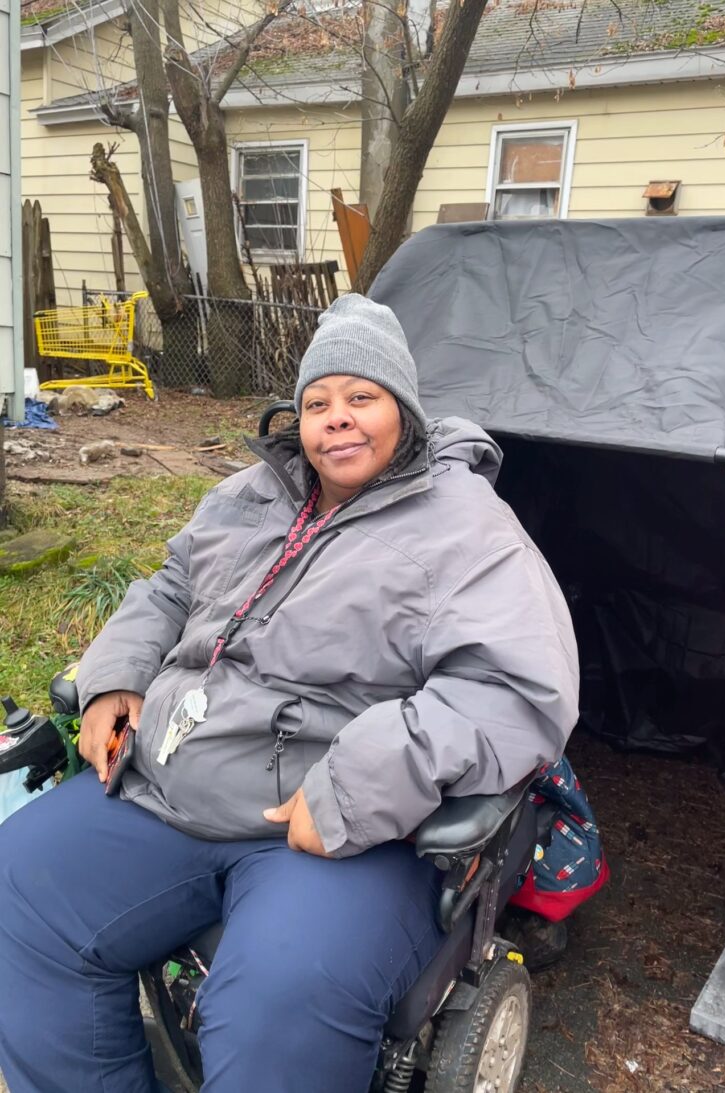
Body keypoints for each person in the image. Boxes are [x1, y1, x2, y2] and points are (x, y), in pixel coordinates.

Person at [0, 295, 579, 1093]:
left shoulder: (467, 528)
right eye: (318, 403)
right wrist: (114, 677)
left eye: (361, 398)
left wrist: (355, 783)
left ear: (404, 409)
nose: (337, 420)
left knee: (278, 998)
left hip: (335, 829)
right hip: (171, 783)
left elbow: (516, 689)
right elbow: (170, 587)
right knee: (20, 884)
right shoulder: (251, 494)